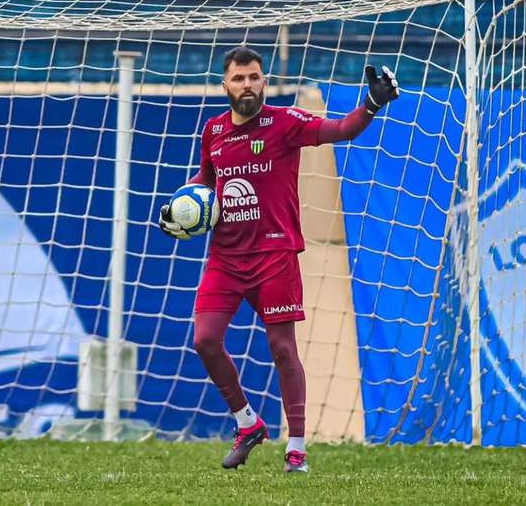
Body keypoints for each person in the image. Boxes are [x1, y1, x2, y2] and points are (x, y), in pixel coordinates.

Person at [159, 46, 398, 473]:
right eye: (238, 78)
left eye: (254, 77)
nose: (247, 85)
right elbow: (207, 178)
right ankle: (247, 423)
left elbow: (343, 129)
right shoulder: (213, 131)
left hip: (275, 253)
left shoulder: (285, 122)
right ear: (225, 85)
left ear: (264, 81)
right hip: (227, 257)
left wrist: (372, 103)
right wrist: (181, 205)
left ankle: (298, 448)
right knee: (205, 340)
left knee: (282, 348)